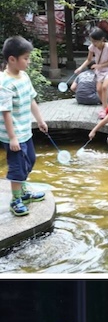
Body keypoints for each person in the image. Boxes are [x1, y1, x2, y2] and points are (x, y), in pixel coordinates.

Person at [0, 36, 47, 217]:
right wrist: (12, 138)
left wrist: (40, 120)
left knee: (31, 160)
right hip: (13, 134)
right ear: (12, 59)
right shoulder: (5, 83)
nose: (28, 62)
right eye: (26, 58)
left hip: (25, 130)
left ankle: (24, 191)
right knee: (17, 167)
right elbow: (6, 112)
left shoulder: (24, 76)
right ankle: (16, 199)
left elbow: (31, 100)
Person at [74, 27, 108, 118]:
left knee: (105, 87)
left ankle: (105, 109)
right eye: (92, 41)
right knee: (98, 89)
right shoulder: (92, 47)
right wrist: (80, 68)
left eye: (95, 41)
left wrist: (99, 66)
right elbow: (89, 59)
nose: (93, 43)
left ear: (102, 39)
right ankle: (105, 107)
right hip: (100, 70)